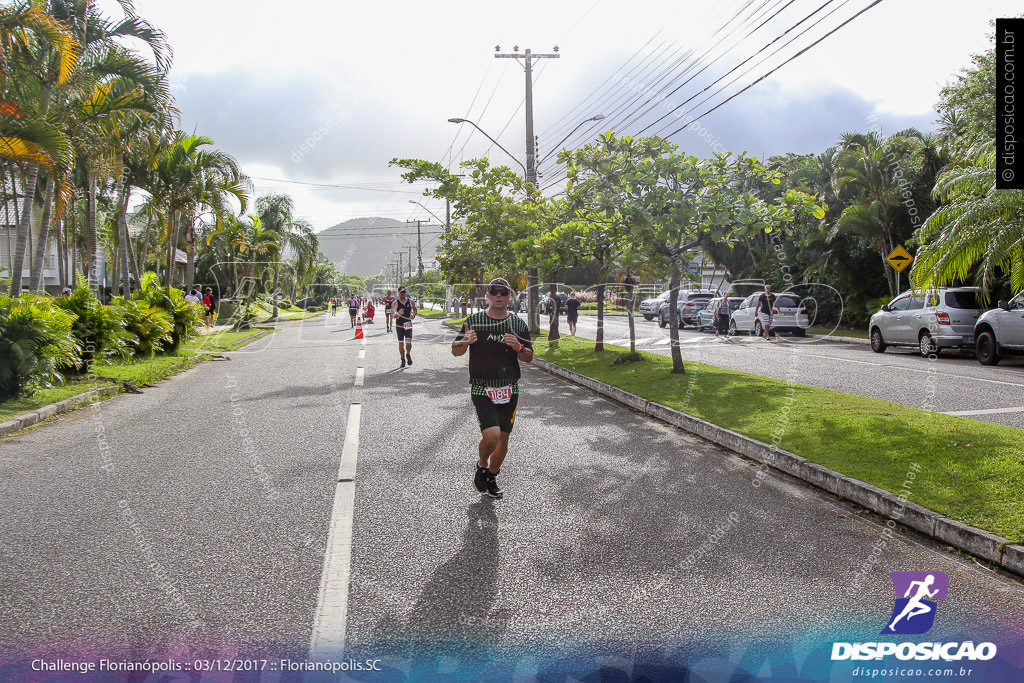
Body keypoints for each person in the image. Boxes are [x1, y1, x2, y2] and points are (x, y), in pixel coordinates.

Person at [451, 278, 533, 500]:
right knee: (492, 437)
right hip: (482, 388)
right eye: (494, 292)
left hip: (509, 389)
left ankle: (492, 477)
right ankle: (481, 465)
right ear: (487, 296)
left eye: (503, 292)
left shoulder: (517, 324)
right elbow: (455, 351)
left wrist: (518, 346)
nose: (498, 295)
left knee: (503, 440)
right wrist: (465, 342)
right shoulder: (474, 321)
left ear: (509, 297)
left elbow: (528, 357)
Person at [391, 287, 417, 367]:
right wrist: (398, 313)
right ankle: (402, 359)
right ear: (398, 293)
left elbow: (415, 309)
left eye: (404, 292)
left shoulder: (411, 301)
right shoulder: (395, 303)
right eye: (401, 292)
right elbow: (393, 315)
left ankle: (408, 354)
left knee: (408, 342)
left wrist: (413, 315)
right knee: (401, 343)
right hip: (399, 324)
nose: (403, 294)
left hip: (407, 323)